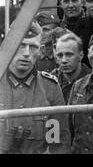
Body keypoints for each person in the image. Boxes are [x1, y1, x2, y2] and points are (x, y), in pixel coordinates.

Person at [0, 21, 70, 154]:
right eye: (21, 45)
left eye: (33, 47)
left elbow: (57, 143)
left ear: (40, 50)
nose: (26, 53)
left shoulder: (50, 87)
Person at [53, 33, 91, 104]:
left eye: (69, 55)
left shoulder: (91, 81)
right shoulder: (51, 80)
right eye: (60, 55)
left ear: (81, 55)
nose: (64, 60)